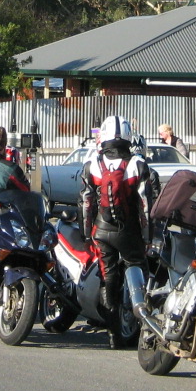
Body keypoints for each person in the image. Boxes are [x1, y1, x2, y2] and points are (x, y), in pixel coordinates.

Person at [82, 114, 152, 348]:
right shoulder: (137, 164)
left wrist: (86, 234)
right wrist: (148, 237)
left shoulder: (93, 164)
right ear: (129, 136)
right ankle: (142, 327)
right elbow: (145, 206)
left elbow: (85, 203)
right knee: (140, 271)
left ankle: (112, 333)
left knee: (108, 277)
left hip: (101, 231)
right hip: (129, 232)